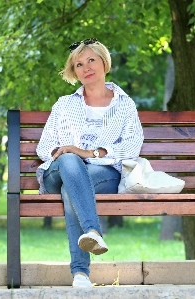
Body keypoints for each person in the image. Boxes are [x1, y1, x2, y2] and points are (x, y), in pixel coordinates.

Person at [36, 38, 144, 288]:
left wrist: (90, 153)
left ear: (104, 62)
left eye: (91, 60)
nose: (86, 68)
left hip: (102, 174)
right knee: (70, 162)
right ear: (74, 72)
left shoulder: (124, 105)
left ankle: (80, 274)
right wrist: (69, 154)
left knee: (71, 188)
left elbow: (132, 146)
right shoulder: (64, 105)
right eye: (79, 64)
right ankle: (93, 232)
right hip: (58, 173)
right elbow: (44, 146)